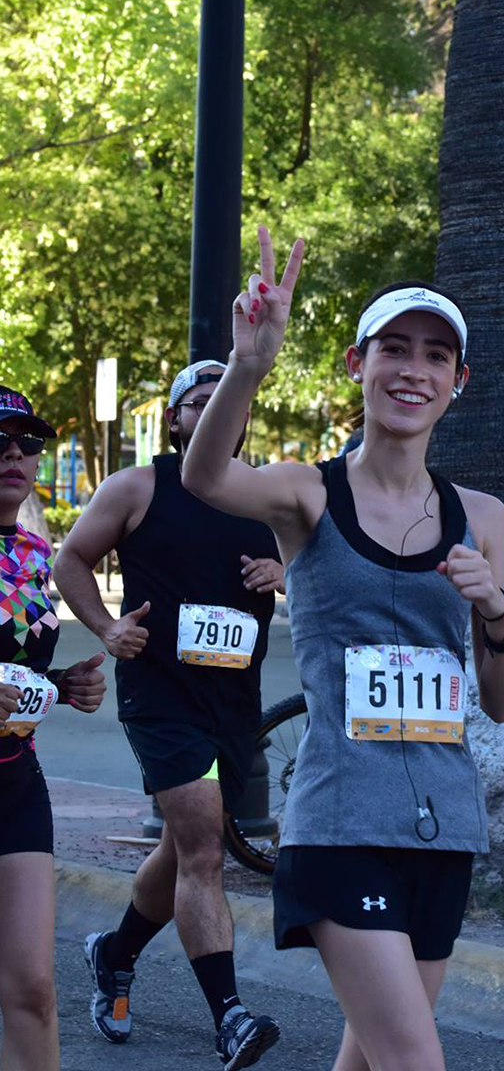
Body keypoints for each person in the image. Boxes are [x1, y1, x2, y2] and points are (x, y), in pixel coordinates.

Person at [182, 226, 504, 1071]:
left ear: (458, 383)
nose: (414, 370)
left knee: (368, 1062)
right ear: (356, 364)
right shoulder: (309, 492)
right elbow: (205, 478)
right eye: (394, 350)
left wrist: (496, 613)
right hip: (340, 826)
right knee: (416, 1062)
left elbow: (502, 698)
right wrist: (249, 364)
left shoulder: (483, 518)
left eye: (436, 356)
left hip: (446, 827)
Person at [53, 363, 286, 1069]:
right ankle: (230, 1018)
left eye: (231, 401)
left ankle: (115, 953)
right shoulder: (139, 486)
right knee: (205, 850)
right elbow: (71, 560)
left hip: (233, 697)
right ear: (176, 418)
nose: (218, 411)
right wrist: (104, 627)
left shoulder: (262, 495)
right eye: (200, 402)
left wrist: (284, 575)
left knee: (191, 843)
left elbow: (308, 564)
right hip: (160, 696)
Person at [0, 386, 107, 1071]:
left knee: (34, 990)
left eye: (28, 442)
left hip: (15, 783)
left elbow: (19, 672)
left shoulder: (37, 557)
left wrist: (65, 688)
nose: (15, 454)